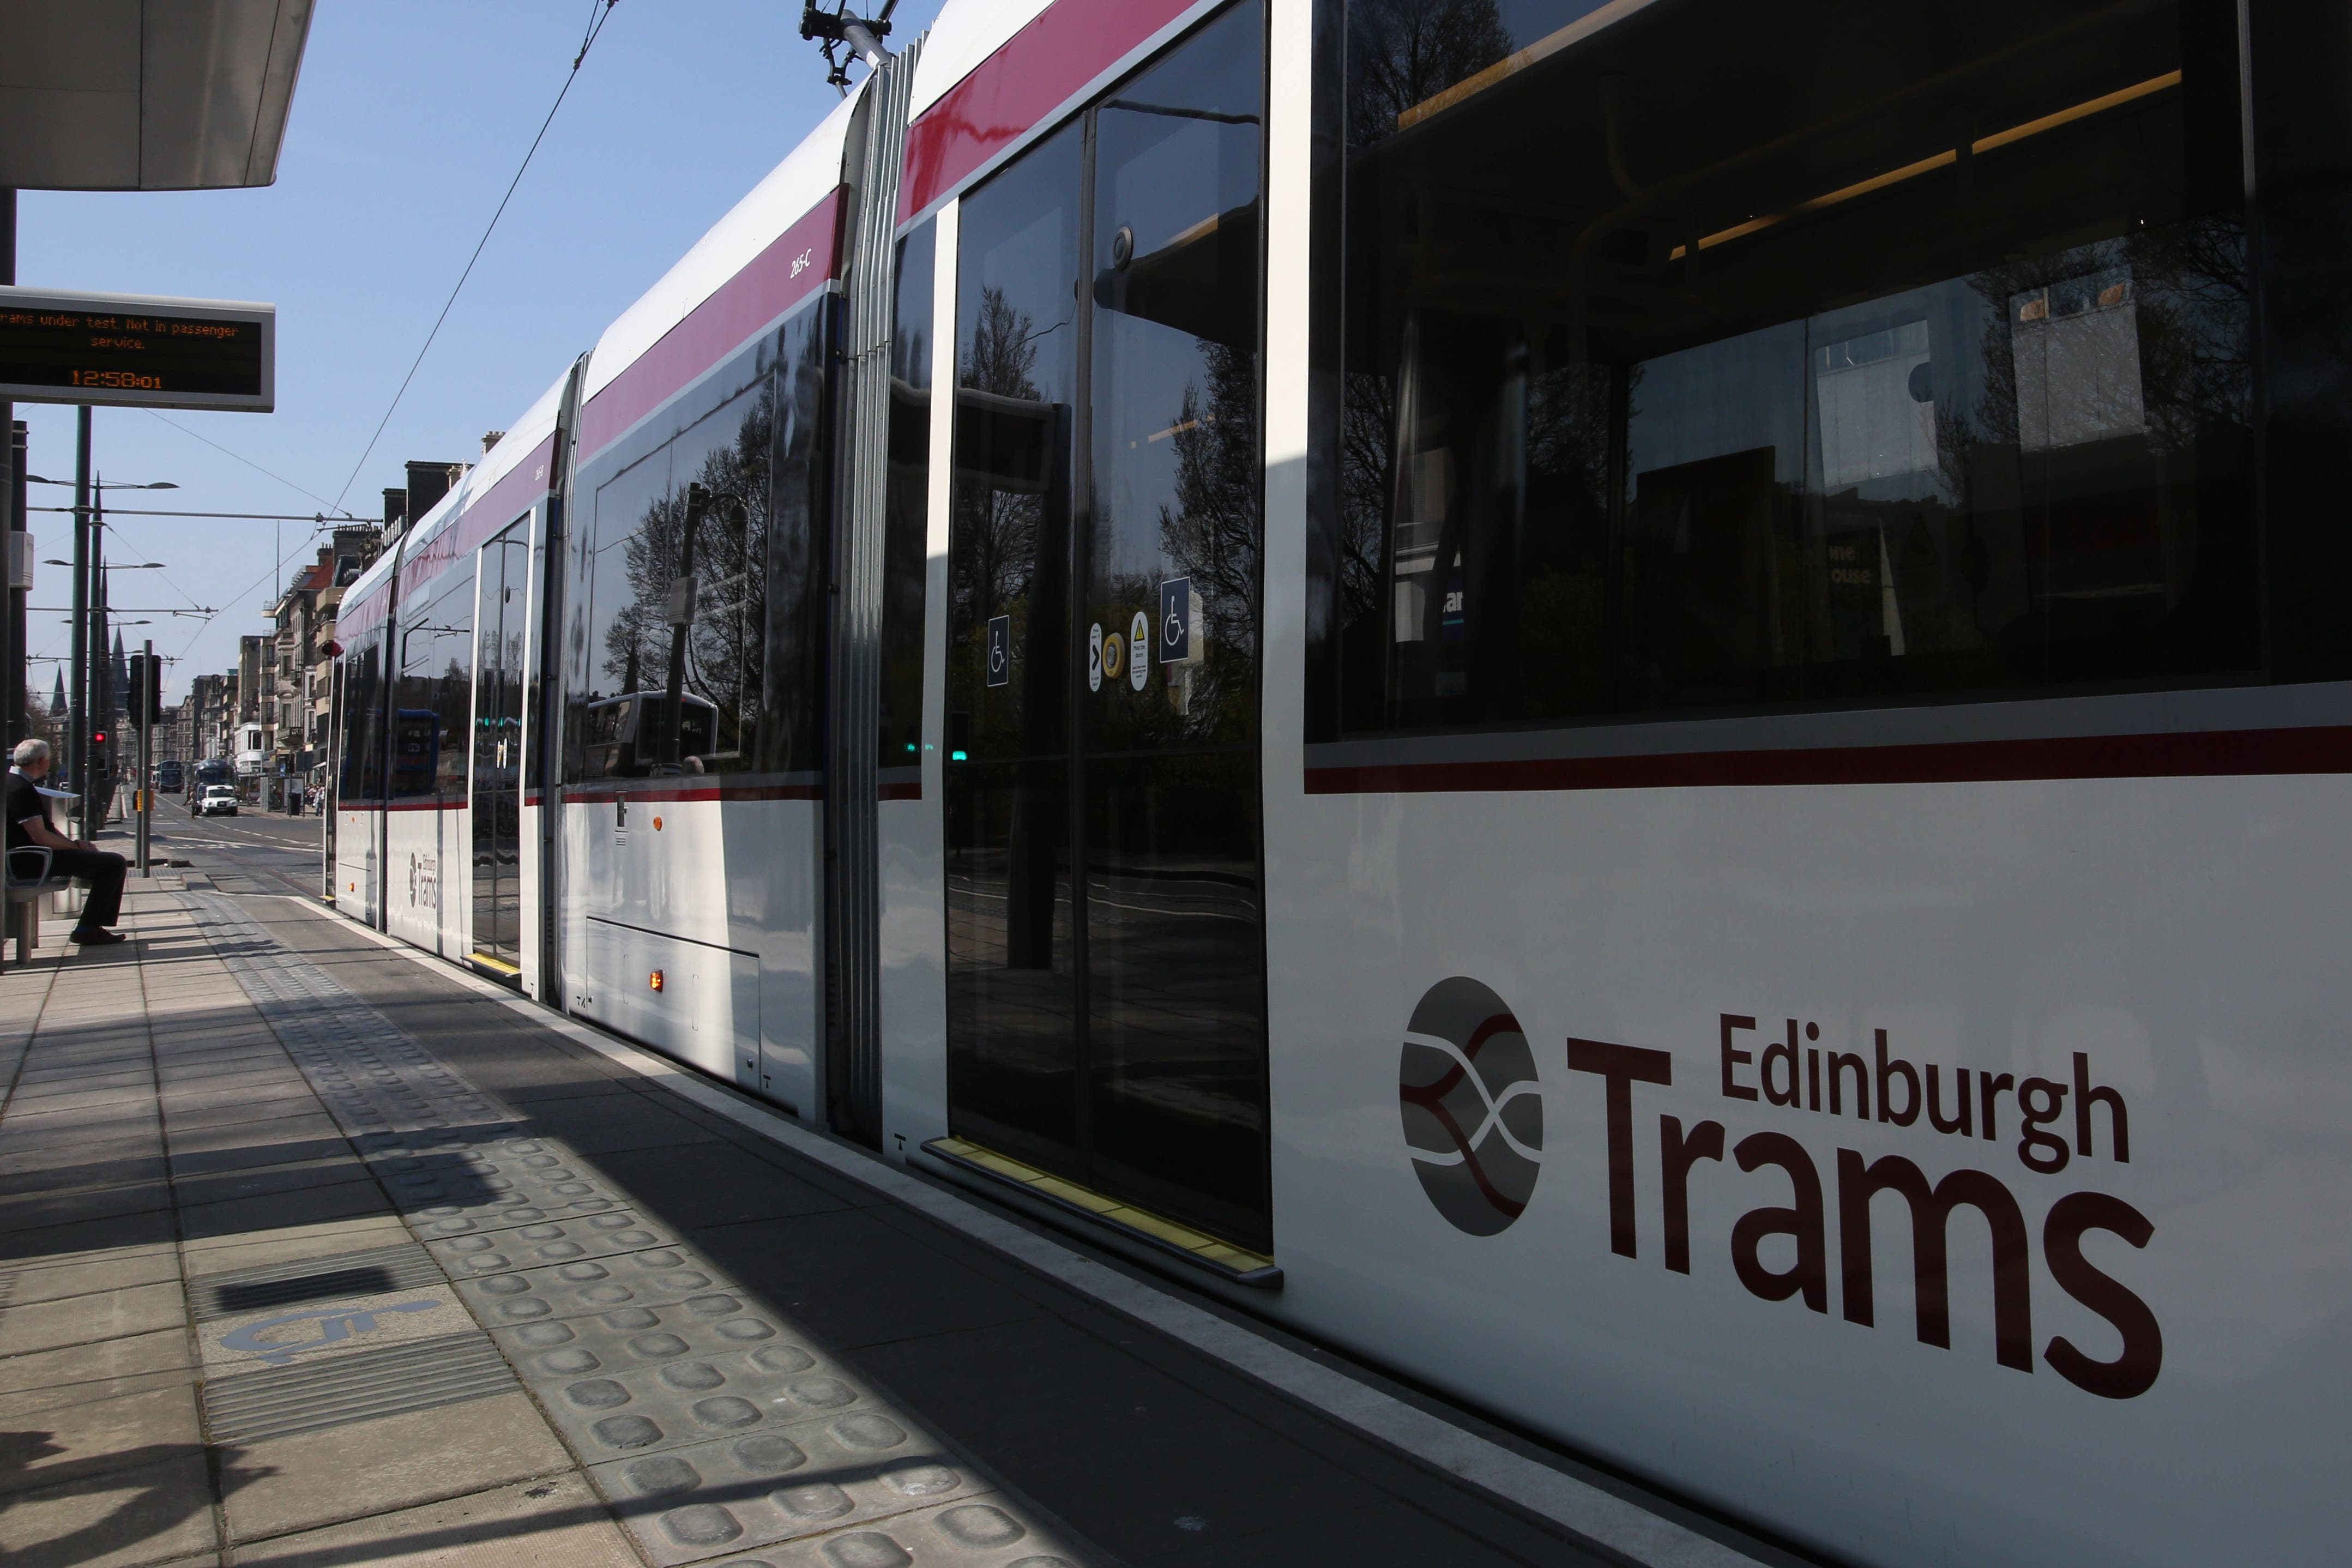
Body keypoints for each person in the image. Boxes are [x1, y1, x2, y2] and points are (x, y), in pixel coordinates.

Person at [7, 739, 128, 945]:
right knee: (114, 864)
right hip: (30, 861)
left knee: (100, 862)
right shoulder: (21, 791)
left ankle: (89, 926)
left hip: (26, 856)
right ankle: (87, 929)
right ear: (42, 762)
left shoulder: (12, 783)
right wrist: (75, 847)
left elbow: (47, 829)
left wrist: (78, 846)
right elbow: (40, 836)